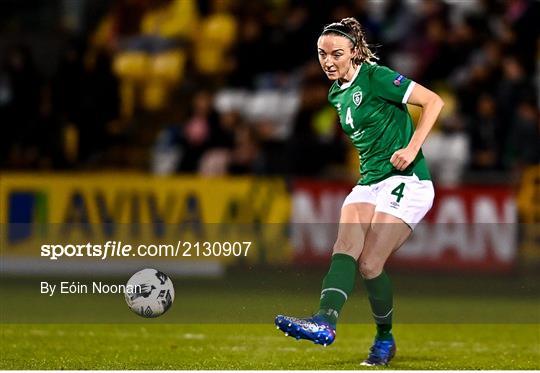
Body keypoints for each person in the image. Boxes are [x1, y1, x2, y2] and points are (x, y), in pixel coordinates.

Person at [275, 17, 444, 366]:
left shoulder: (377, 77)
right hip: (369, 181)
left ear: (354, 52)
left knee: (369, 264)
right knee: (345, 247)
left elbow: (434, 102)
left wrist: (412, 148)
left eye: (337, 53)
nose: (328, 61)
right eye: (322, 54)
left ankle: (384, 339)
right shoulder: (335, 93)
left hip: (407, 181)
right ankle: (325, 321)